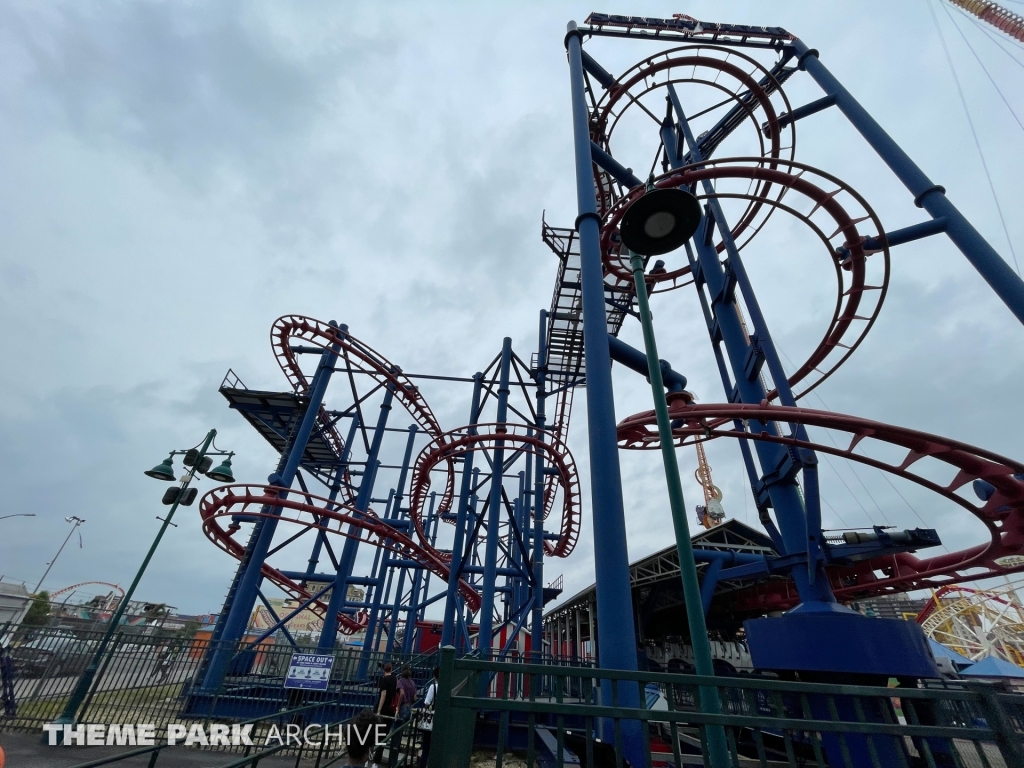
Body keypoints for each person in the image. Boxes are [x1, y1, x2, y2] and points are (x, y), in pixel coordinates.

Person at [417, 666, 439, 768]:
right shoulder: (447, 687)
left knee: (426, 747)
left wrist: (424, 713)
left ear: (434, 676)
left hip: (431, 720)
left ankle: (423, 765)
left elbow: (427, 703)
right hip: (441, 720)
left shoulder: (432, 687)